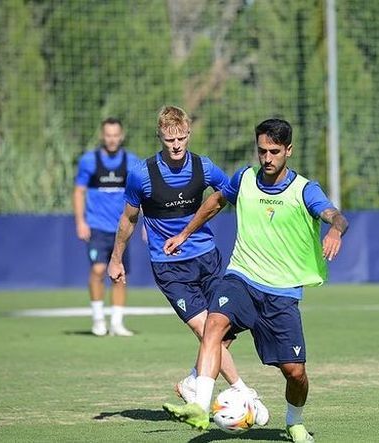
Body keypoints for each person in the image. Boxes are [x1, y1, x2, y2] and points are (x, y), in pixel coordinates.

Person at [161, 118, 348, 442]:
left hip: (282, 294)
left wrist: (335, 229)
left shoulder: (304, 189)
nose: (267, 158)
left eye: (274, 151)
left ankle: (294, 420)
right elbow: (216, 201)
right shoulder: (244, 178)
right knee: (214, 324)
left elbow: (334, 214)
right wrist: (184, 233)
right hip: (242, 278)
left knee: (296, 373)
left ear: (288, 150)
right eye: (262, 151)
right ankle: (200, 405)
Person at [107, 105, 269, 424]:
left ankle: (194, 381)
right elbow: (128, 219)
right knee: (206, 328)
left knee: (224, 332)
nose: (177, 145)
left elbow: (232, 194)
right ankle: (243, 390)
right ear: (160, 137)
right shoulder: (142, 174)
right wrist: (116, 259)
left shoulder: (204, 168)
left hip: (208, 259)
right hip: (169, 267)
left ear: (189, 135)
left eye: (182, 137)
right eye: (170, 140)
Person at [73, 117, 139, 337]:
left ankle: (117, 323)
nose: (112, 139)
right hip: (97, 226)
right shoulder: (89, 161)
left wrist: (145, 224)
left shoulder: (131, 162)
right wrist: (81, 221)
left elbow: (140, 195)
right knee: (99, 269)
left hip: (122, 228)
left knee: (119, 274)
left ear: (121, 136)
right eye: (108, 135)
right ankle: (98, 319)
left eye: (115, 135)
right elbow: (79, 191)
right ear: (103, 136)